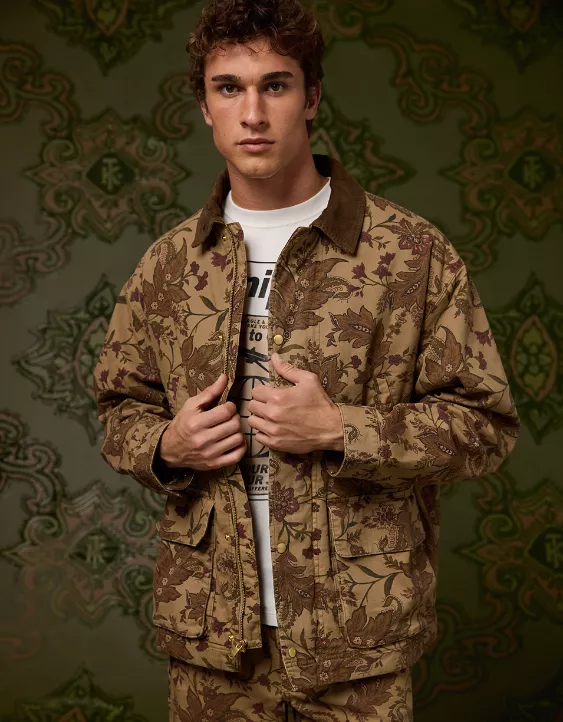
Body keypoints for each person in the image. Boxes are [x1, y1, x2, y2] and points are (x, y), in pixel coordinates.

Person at [93, 0, 520, 718]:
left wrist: (342, 429)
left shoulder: (410, 254)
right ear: (204, 107)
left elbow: (485, 426)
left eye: (276, 85)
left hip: (358, 639)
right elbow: (118, 410)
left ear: (312, 96)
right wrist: (167, 444)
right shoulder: (168, 266)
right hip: (210, 641)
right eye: (229, 88)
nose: (252, 113)